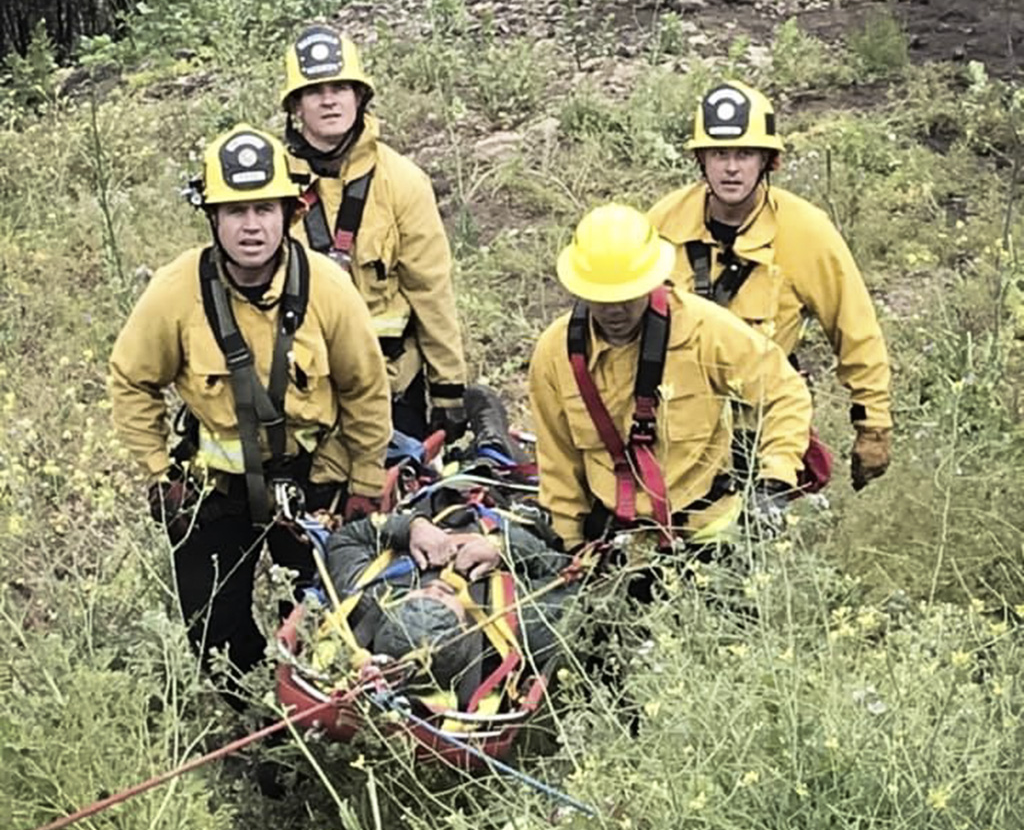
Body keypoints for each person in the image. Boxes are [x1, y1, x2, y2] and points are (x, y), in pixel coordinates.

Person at [109, 124, 392, 694]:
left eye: (265, 208)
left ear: (290, 211)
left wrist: (362, 481)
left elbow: (367, 390)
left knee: (326, 623)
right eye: (235, 210)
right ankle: (256, 726)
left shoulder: (329, 290)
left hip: (314, 481)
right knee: (212, 630)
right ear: (212, 217)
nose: (251, 225)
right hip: (214, 491)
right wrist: (160, 472)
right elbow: (132, 378)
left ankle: (313, 720)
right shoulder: (175, 292)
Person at [647, 80, 893, 491]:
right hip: (673, 424)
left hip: (761, 423)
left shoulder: (805, 232)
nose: (731, 167)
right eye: (719, 153)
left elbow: (856, 331)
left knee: (752, 539)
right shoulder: (663, 223)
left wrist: (873, 427)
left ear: (768, 161)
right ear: (700, 159)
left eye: (744, 154)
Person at [528, 203, 813, 553]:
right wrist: (570, 545)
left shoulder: (703, 328)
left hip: (708, 529)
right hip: (618, 543)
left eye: (627, 295)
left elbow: (783, 390)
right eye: (602, 298)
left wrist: (774, 481)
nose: (615, 310)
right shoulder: (556, 354)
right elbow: (558, 461)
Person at [280, 23, 467, 442]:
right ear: (295, 105)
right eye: (315, 91)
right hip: (305, 395)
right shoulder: (271, 189)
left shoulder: (402, 181)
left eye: (341, 87)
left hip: (393, 388)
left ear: (360, 97)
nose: (329, 100)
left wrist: (448, 390)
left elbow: (430, 290)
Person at [324, 501, 576, 708]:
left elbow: (345, 539)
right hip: (515, 516)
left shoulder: (365, 594)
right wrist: (505, 546)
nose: (433, 587)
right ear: (467, 630)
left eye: (418, 597)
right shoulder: (522, 621)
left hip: (439, 506)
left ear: (387, 612)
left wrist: (412, 526)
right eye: (444, 599)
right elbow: (571, 579)